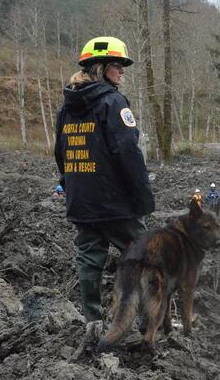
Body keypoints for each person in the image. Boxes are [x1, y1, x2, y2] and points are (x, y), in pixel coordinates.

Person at [54, 36, 154, 352]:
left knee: (88, 259)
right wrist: (143, 198)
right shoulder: (113, 102)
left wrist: (72, 187)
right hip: (115, 204)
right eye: (118, 66)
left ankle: (93, 321)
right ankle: (146, 324)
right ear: (102, 69)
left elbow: (60, 153)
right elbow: (127, 152)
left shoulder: (66, 108)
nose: (122, 73)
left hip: (82, 201)